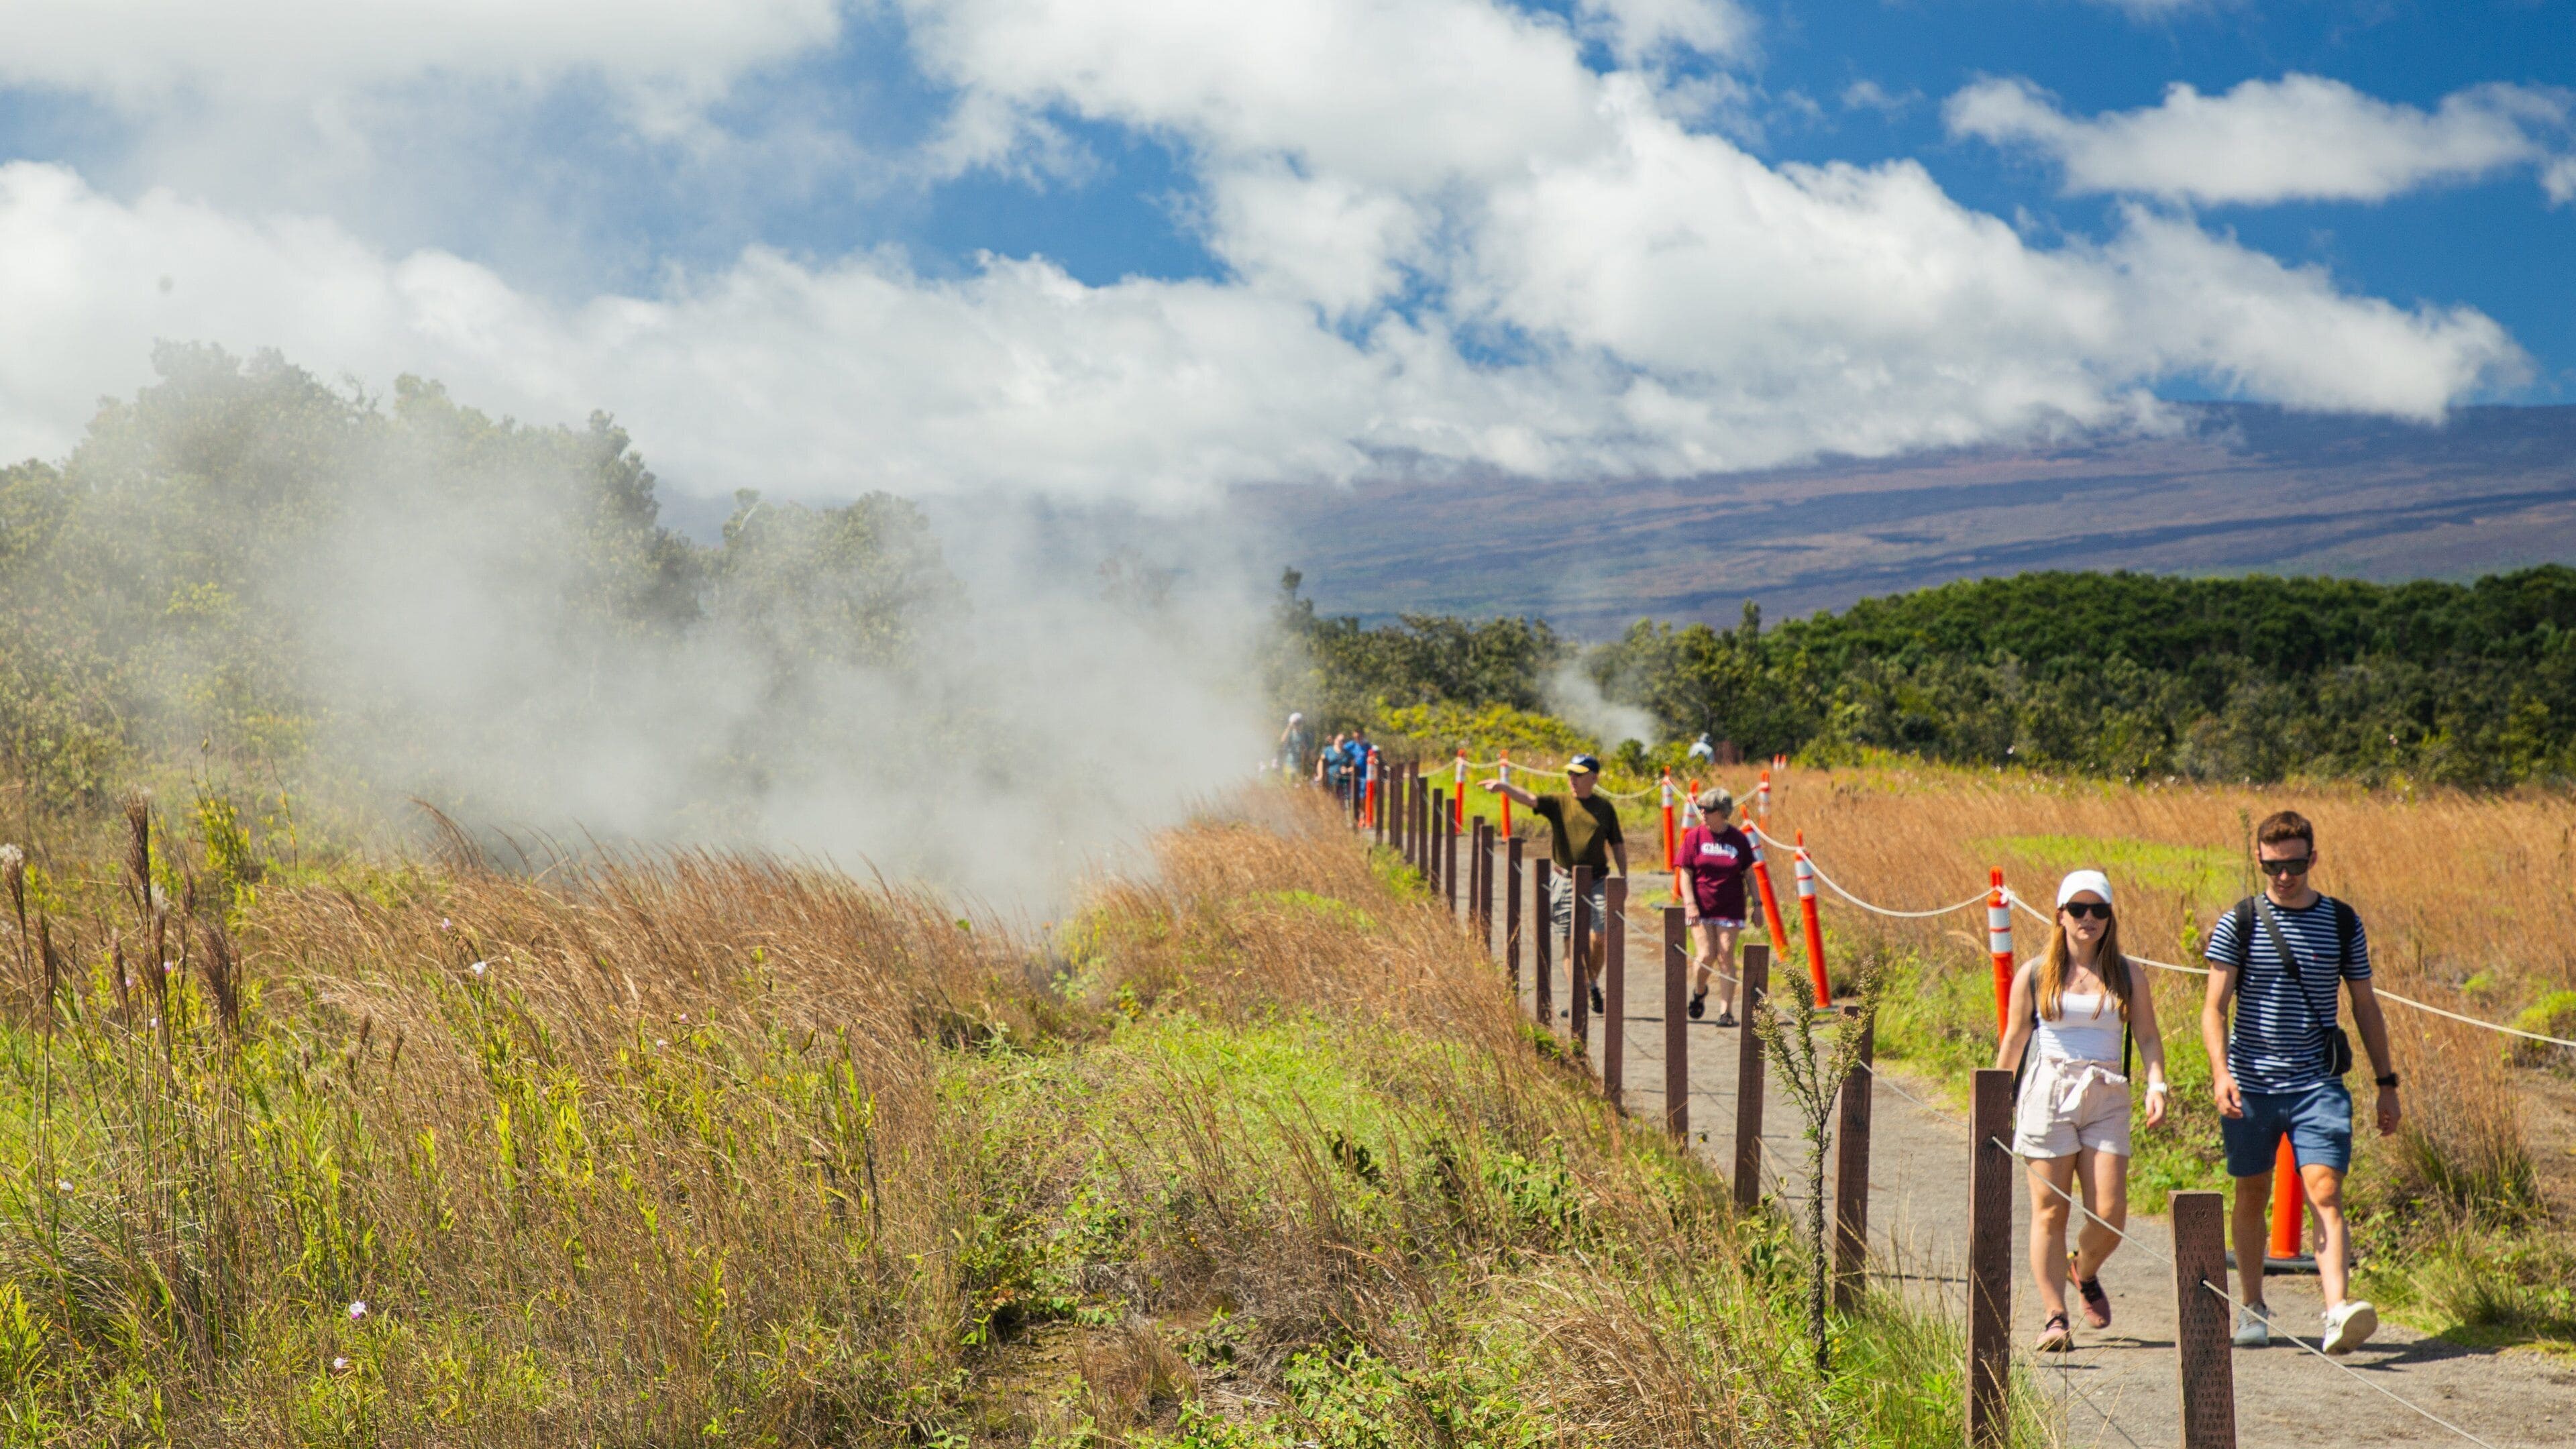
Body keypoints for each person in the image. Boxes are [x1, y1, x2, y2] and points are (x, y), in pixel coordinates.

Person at [2200, 810, 2398, 1354]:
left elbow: (2364, 1003)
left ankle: (2337, 1310)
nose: (2283, 876)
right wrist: (2221, 1074)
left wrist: (2387, 1083)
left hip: (2318, 1083)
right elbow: (2214, 1008)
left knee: (2326, 1190)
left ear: (2312, 859)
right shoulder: (2238, 921)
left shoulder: (2340, 921)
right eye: (2272, 866)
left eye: (2293, 864)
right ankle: (2252, 1307)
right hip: (2251, 1083)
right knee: (2251, 1192)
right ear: (2259, 861)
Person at [1995, 870, 2170, 1352]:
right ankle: (2055, 1316)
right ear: (2060, 915)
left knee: (2110, 1214)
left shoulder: (2128, 973)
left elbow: (2149, 1037)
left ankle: (2083, 1270)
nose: (2087, 919)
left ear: (2111, 918)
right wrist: (1993, 1098)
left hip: (2106, 1092)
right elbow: (2015, 1038)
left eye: (2099, 910)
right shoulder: (2035, 972)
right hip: (2048, 1091)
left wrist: (2157, 1084)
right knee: (2050, 1210)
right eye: (2077, 909)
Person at [1483, 753, 1625, 1014]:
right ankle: (1579, 995)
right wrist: (1504, 787)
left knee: (1600, 937)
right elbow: (1529, 799)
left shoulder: (1605, 808)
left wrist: (1624, 878)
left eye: (1579, 775)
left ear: (1593, 778)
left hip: (1597, 882)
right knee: (1570, 942)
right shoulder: (1559, 803)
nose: (1572, 779)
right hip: (1564, 880)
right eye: (1570, 774)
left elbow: (1617, 843)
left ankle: (1590, 982)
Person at [1674, 787, 1752, 1025]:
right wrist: (1690, 904)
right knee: (1707, 954)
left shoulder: (1738, 839)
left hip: (1730, 906)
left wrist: (1757, 905)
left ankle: (1726, 1012)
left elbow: (1749, 873)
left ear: (1722, 812)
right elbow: (1685, 873)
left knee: (1726, 954)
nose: (1702, 813)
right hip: (1702, 907)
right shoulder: (1694, 837)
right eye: (1700, 808)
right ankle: (1699, 991)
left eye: (1707, 809)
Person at [1277, 712, 1313, 778]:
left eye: (1299, 722)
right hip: (1290, 765)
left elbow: (1311, 752)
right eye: (1296, 723)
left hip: (1303, 766)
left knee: (1301, 786)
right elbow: (1283, 740)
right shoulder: (1290, 735)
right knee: (1289, 786)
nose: (1298, 725)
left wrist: (1309, 762)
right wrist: (1289, 726)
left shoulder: (1308, 735)